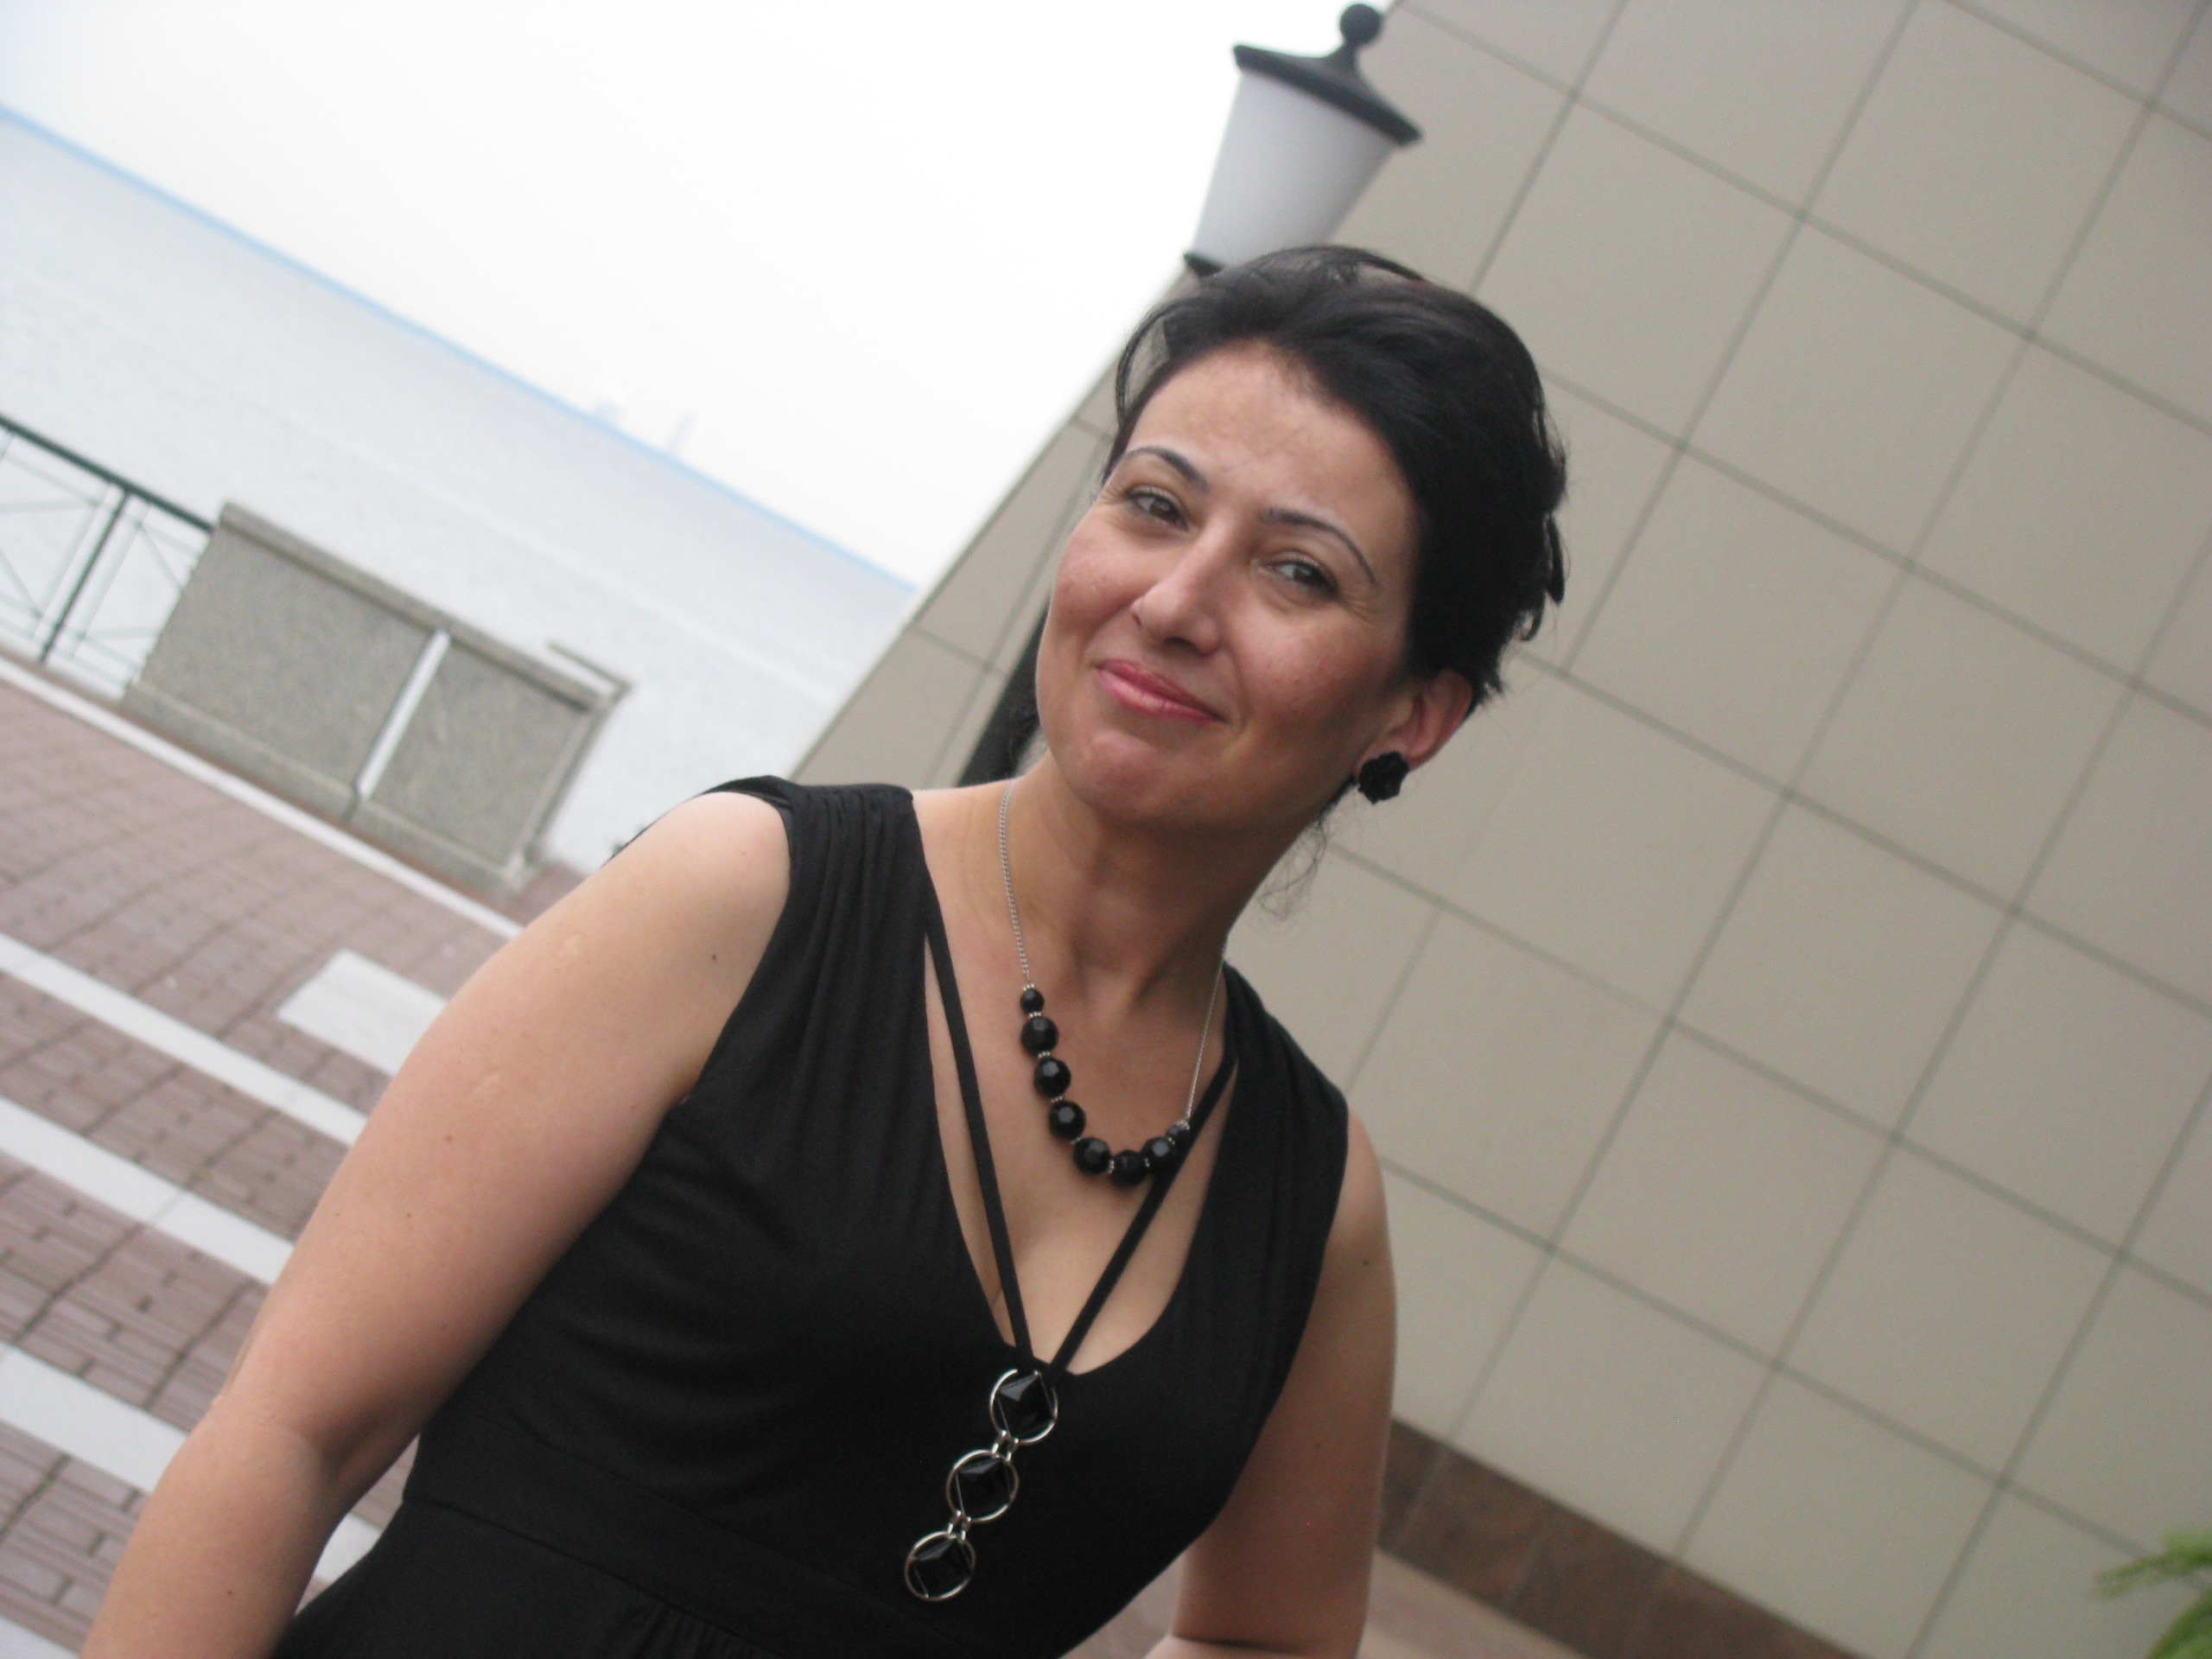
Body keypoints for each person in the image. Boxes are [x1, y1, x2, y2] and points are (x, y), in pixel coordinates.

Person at [83, 245, 1567, 1659]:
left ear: (1413, 713)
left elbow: (1271, 1633)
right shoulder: (742, 899)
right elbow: (291, 1433)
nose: (1174, 603)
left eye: (1298, 573)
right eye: (1154, 505)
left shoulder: (1311, 1198)